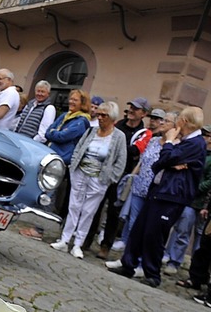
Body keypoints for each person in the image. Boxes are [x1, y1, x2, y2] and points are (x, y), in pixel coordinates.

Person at [109, 106, 207, 288]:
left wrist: (169, 143)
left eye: (178, 119)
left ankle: (152, 273)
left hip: (172, 195)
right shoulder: (186, 141)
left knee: (155, 233)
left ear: (184, 121)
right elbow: (161, 162)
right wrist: (171, 160)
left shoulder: (195, 143)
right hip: (160, 191)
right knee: (140, 229)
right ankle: (128, 264)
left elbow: (167, 158)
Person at [49, 101, 127, 259]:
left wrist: (110, 178)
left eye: (103, 115)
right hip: (80, 172)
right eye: (98, 114)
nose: (100, 118)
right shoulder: (92, 131)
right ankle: (64, 240)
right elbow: (79, 148)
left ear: (112, 118)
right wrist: (73, 167)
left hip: (100, 178)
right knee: (74, 206)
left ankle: (78, 244)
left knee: (88, 211)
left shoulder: (119, 136)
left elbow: (121, 161)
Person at [105, 111, 177, 263]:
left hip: (155, 192)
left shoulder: (176, 146)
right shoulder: (153, 140)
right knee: (133, 224)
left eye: (167, 121)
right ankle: (128, 257)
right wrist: (131, 178)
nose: (162, 123)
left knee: (148, 228)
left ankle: (139, 259)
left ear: (175, 127)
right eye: (162, 120)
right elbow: (141, 162)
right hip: (139, 187)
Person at [84, 97, 152, 254]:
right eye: (131, 107)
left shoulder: (144, 133)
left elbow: (135, 151)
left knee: (114, 212)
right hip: (104, 171)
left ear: (143, 113)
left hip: (123, 176)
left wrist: (118, 148)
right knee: (94, 206)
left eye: (136, 108)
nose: (132, 111)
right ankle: (86, 240)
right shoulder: (118, 124)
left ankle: (106, 246)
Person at [162, 124, 211, 275]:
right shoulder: (197, 150)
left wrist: (195, 188)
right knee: (179, 228)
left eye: (207, 135)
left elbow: (209, 181)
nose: (204, 137)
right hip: (186, 196)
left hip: (198, 200)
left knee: (195, 234)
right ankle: (171, 257)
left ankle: (185, 264)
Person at [45, 89, 91, 219]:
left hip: (62, 160)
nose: (71, 102)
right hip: (52, 156)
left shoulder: (81, 122)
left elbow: (62, 136)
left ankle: (41, 227)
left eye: (75, 100)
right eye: (70, 99)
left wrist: (54, 133)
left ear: (82, 103)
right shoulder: (65, 115)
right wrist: (55, 133)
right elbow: (47, 132)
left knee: (50, 192)